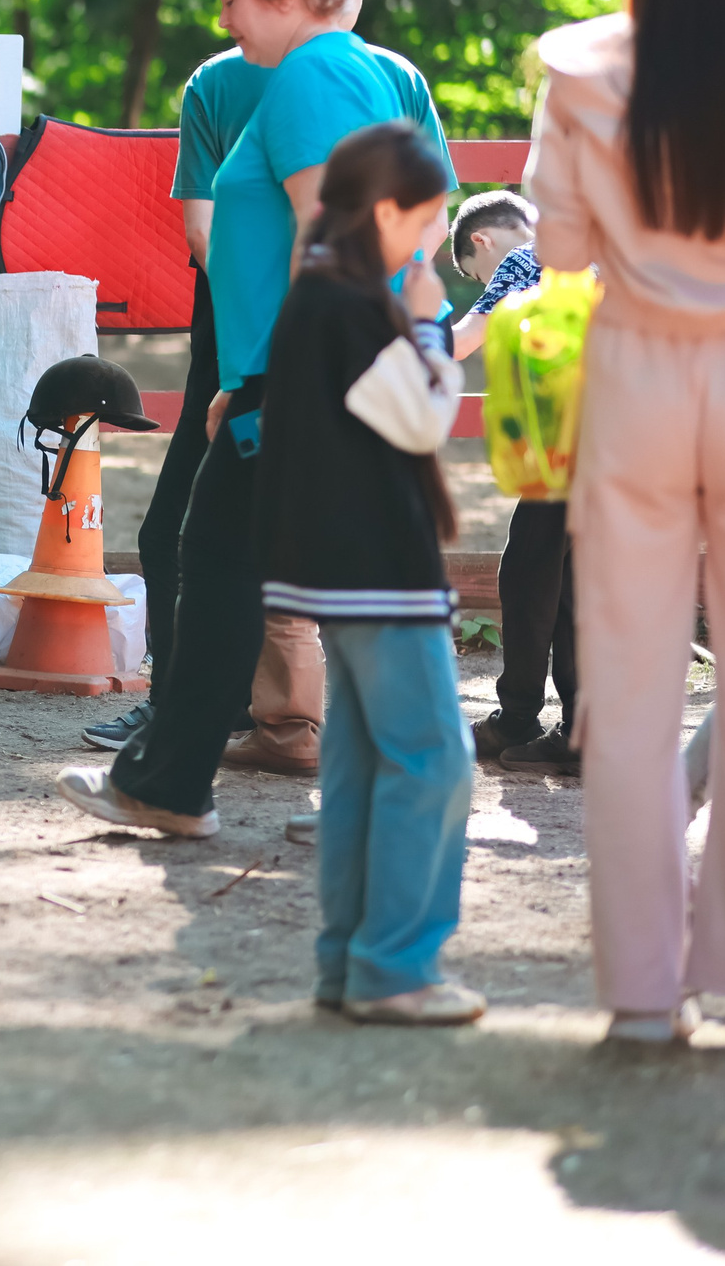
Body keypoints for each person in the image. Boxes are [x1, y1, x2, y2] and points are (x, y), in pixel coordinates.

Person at [59, 0, 444, 835]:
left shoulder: (314, 73)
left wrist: (289, 375)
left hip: (312, 372)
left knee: (271, 571)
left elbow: (339, 232)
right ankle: (173, 781)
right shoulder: (324, 74)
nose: (224, 21)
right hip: (291, 369)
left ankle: (372, 792)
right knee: (226, 563)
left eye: (230, 1)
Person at [529, 0, 725, 1048]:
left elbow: (557, 263)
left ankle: (637, 992)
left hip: (627, 379)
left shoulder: (581, 73)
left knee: (622, 691)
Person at [253, 121, 479, 1025]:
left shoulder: (320, 295)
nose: (431, 240)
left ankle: (350, 959)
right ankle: (397, 965)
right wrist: (428, 317)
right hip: (375, 573)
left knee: (361, 765)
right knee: (433, 762)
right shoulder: (348, 304)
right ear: (388, 210)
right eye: (427, 219)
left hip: (328, 571)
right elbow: (422, 416)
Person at [446, 190, 579, 775]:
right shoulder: (591, 247)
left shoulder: (526, 256)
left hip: (574, 436)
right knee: (572, 580)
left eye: (476, 275)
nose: (485, 281)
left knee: (527, 574)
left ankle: (518, 717)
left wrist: (384, 351)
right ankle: (578, 728)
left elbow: (464, 338)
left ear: (482, 241)